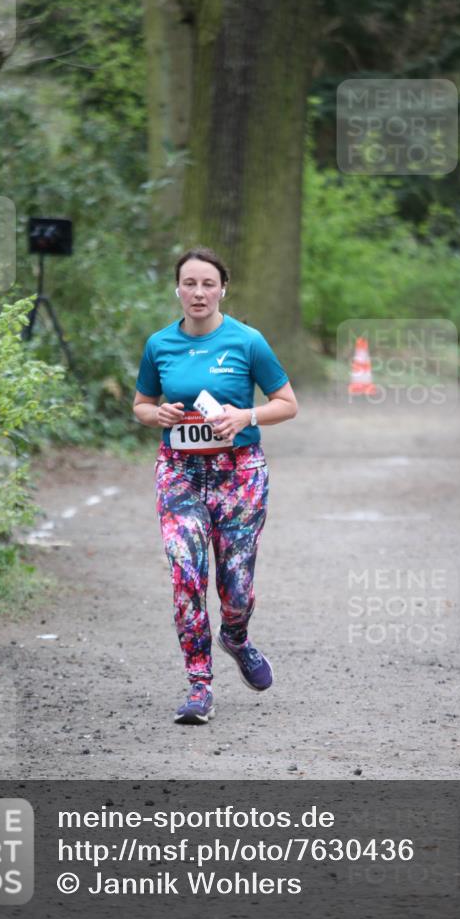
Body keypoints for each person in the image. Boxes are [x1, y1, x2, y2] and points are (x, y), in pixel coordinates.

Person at [133, 247, 298, 724]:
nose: (198, 292)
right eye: (190, 283)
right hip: (180, 472)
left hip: (240, 473)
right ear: (177, 289)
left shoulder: (248, 342)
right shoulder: (159, 344)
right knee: (186, 576)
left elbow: (287, 403)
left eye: (208, 283)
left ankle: (237, 637)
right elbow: (142, 405)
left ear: (223, 288)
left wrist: (245, 414)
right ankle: (199, 685)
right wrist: (156, 414)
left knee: (237, 588)